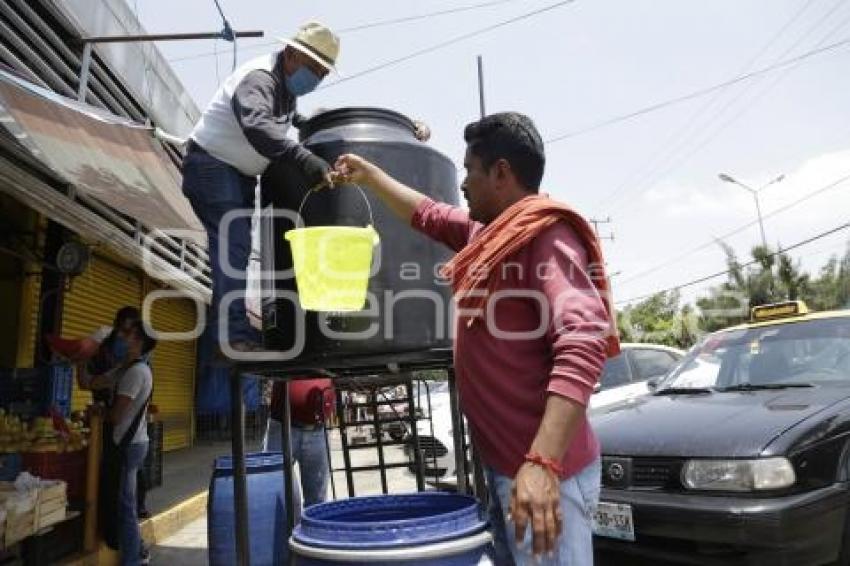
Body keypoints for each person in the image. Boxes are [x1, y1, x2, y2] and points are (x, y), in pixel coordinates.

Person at [333, 112, 620, 565]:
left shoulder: (545, 235)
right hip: (507, 469)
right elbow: (427, 214)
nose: (463, 184)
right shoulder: (488, 236)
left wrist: (543, 464)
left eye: (469, 170)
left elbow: (583, 340)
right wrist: (370, 176)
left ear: (501, 172)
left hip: (546, 478)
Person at [182, 21, 340, 353]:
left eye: (322, 74)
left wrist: (314, 123)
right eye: (314, 69)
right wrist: (303, 159)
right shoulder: (259, 79)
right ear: (293, 54)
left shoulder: (286, 89)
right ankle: (232, 337)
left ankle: (235, 332)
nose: (316, 79)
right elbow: (258, 125)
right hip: (212, 166)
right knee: (234, 250)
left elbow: (286, 119)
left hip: (238, 173)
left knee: (237, 251)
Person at [108, 318, 156, 566]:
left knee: (126, 506)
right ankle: (137, 552)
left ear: (138, 340)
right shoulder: (134, 369)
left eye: (127, 334)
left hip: (129, 445)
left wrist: (97, 413)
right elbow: (91, 383)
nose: (121, 338)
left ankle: (133, 559)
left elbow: (117, 416)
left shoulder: (136, 372)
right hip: (136, 442)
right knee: (126, 503)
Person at [263, 377, 334, 507]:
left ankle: (312, 526)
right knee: (275, 491)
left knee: (317, 499)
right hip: (282, 427)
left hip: (317, 429)